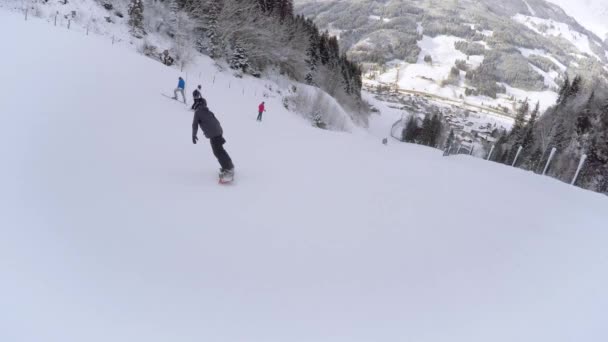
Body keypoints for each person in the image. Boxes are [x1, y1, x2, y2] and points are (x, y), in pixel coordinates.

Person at [192, 99, 235, 179]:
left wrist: (193, 135)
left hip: (214, 134)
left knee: (218, 152)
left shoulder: (198, 112)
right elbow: (216, 121)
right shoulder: (208, 111)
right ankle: (229, 165)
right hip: (218, 132)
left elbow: (195, 125)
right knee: (220, 150)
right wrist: (220, 132)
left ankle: (228, 169)